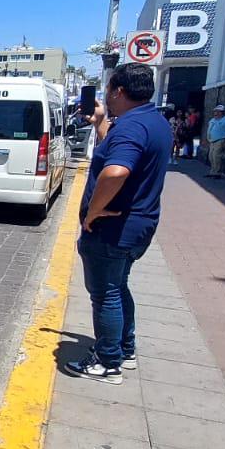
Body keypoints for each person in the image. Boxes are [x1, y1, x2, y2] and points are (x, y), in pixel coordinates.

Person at [65, 63, 170, 386]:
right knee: (119, 286)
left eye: (109, 90)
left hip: (115, 228)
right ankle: (125, 348)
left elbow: (116, 171)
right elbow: (117, 150)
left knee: (106, 293)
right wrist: (100, 124)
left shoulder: (131, 128)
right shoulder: (154, 121)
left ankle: (108, 362)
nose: (106, 96)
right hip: (139, 224)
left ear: (119, 91)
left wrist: (94, 211)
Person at [203, 103, 225, 178]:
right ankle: (212, 171)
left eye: (218, 111)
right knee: (211, 156)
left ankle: (217, 173)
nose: (216, 113)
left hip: (220, 140)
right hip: (212, 141)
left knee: (216, 156)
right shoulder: (212, 120)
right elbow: (209, 130)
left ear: (222, 112)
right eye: (215, 111)